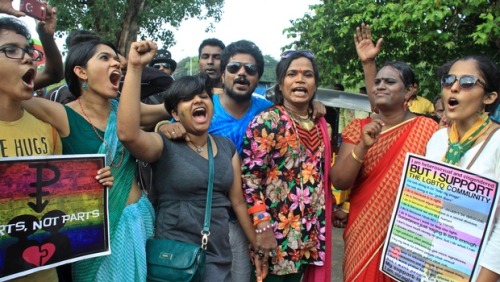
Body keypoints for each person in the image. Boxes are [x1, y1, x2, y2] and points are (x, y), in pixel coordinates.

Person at [21, 37, 168, 282]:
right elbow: (16, 93)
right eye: (104, 58)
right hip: (92, 232)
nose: (115, 64)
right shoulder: (62, 114)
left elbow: (170, 108)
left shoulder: (125, 109)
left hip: (137, 221)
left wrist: (166, 125)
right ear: (81, 72)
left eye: (116, 59)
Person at [116, 40, 264, 281]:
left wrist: (256, 244)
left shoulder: (226, 148)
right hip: (175, 260)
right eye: (188, 99)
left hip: (218, 257)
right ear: (174, 113)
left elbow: (237, 202)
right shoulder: (164, 145)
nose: (198, 101)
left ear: (211, 106)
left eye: (203, 96)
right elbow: (127, 134)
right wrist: (134, 67)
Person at [0, 17, 112, 282]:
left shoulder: (46, 128)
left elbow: (60, 198)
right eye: (11, 50)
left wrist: (91, 184)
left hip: (45, 272)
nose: (28, 58)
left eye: (29, 51)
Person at [330, 60, 438, 281]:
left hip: (409, 234)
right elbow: (340, 181)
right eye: (377, 82)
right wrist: (362, 146)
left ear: (410, 90)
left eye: (389, 82)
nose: (380, 86)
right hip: (364, 229)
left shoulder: (428, 129)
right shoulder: (359, 127)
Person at [241, 50, 333, 282]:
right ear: (281, 85)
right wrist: (262, 227)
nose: (300, 79)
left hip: (307, 236)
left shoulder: (319, 124)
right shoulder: (268, 121)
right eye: (292, 74)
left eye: (307, 75)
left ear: (315, 85)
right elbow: (250, 179)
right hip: (274, 236)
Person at [425, 56, 500, 282]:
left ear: (489, 97)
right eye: (448, 81)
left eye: (467, 82)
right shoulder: (437, 139)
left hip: (477, 273)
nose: (454, 88)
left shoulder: (497, 142)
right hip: (432, 267)